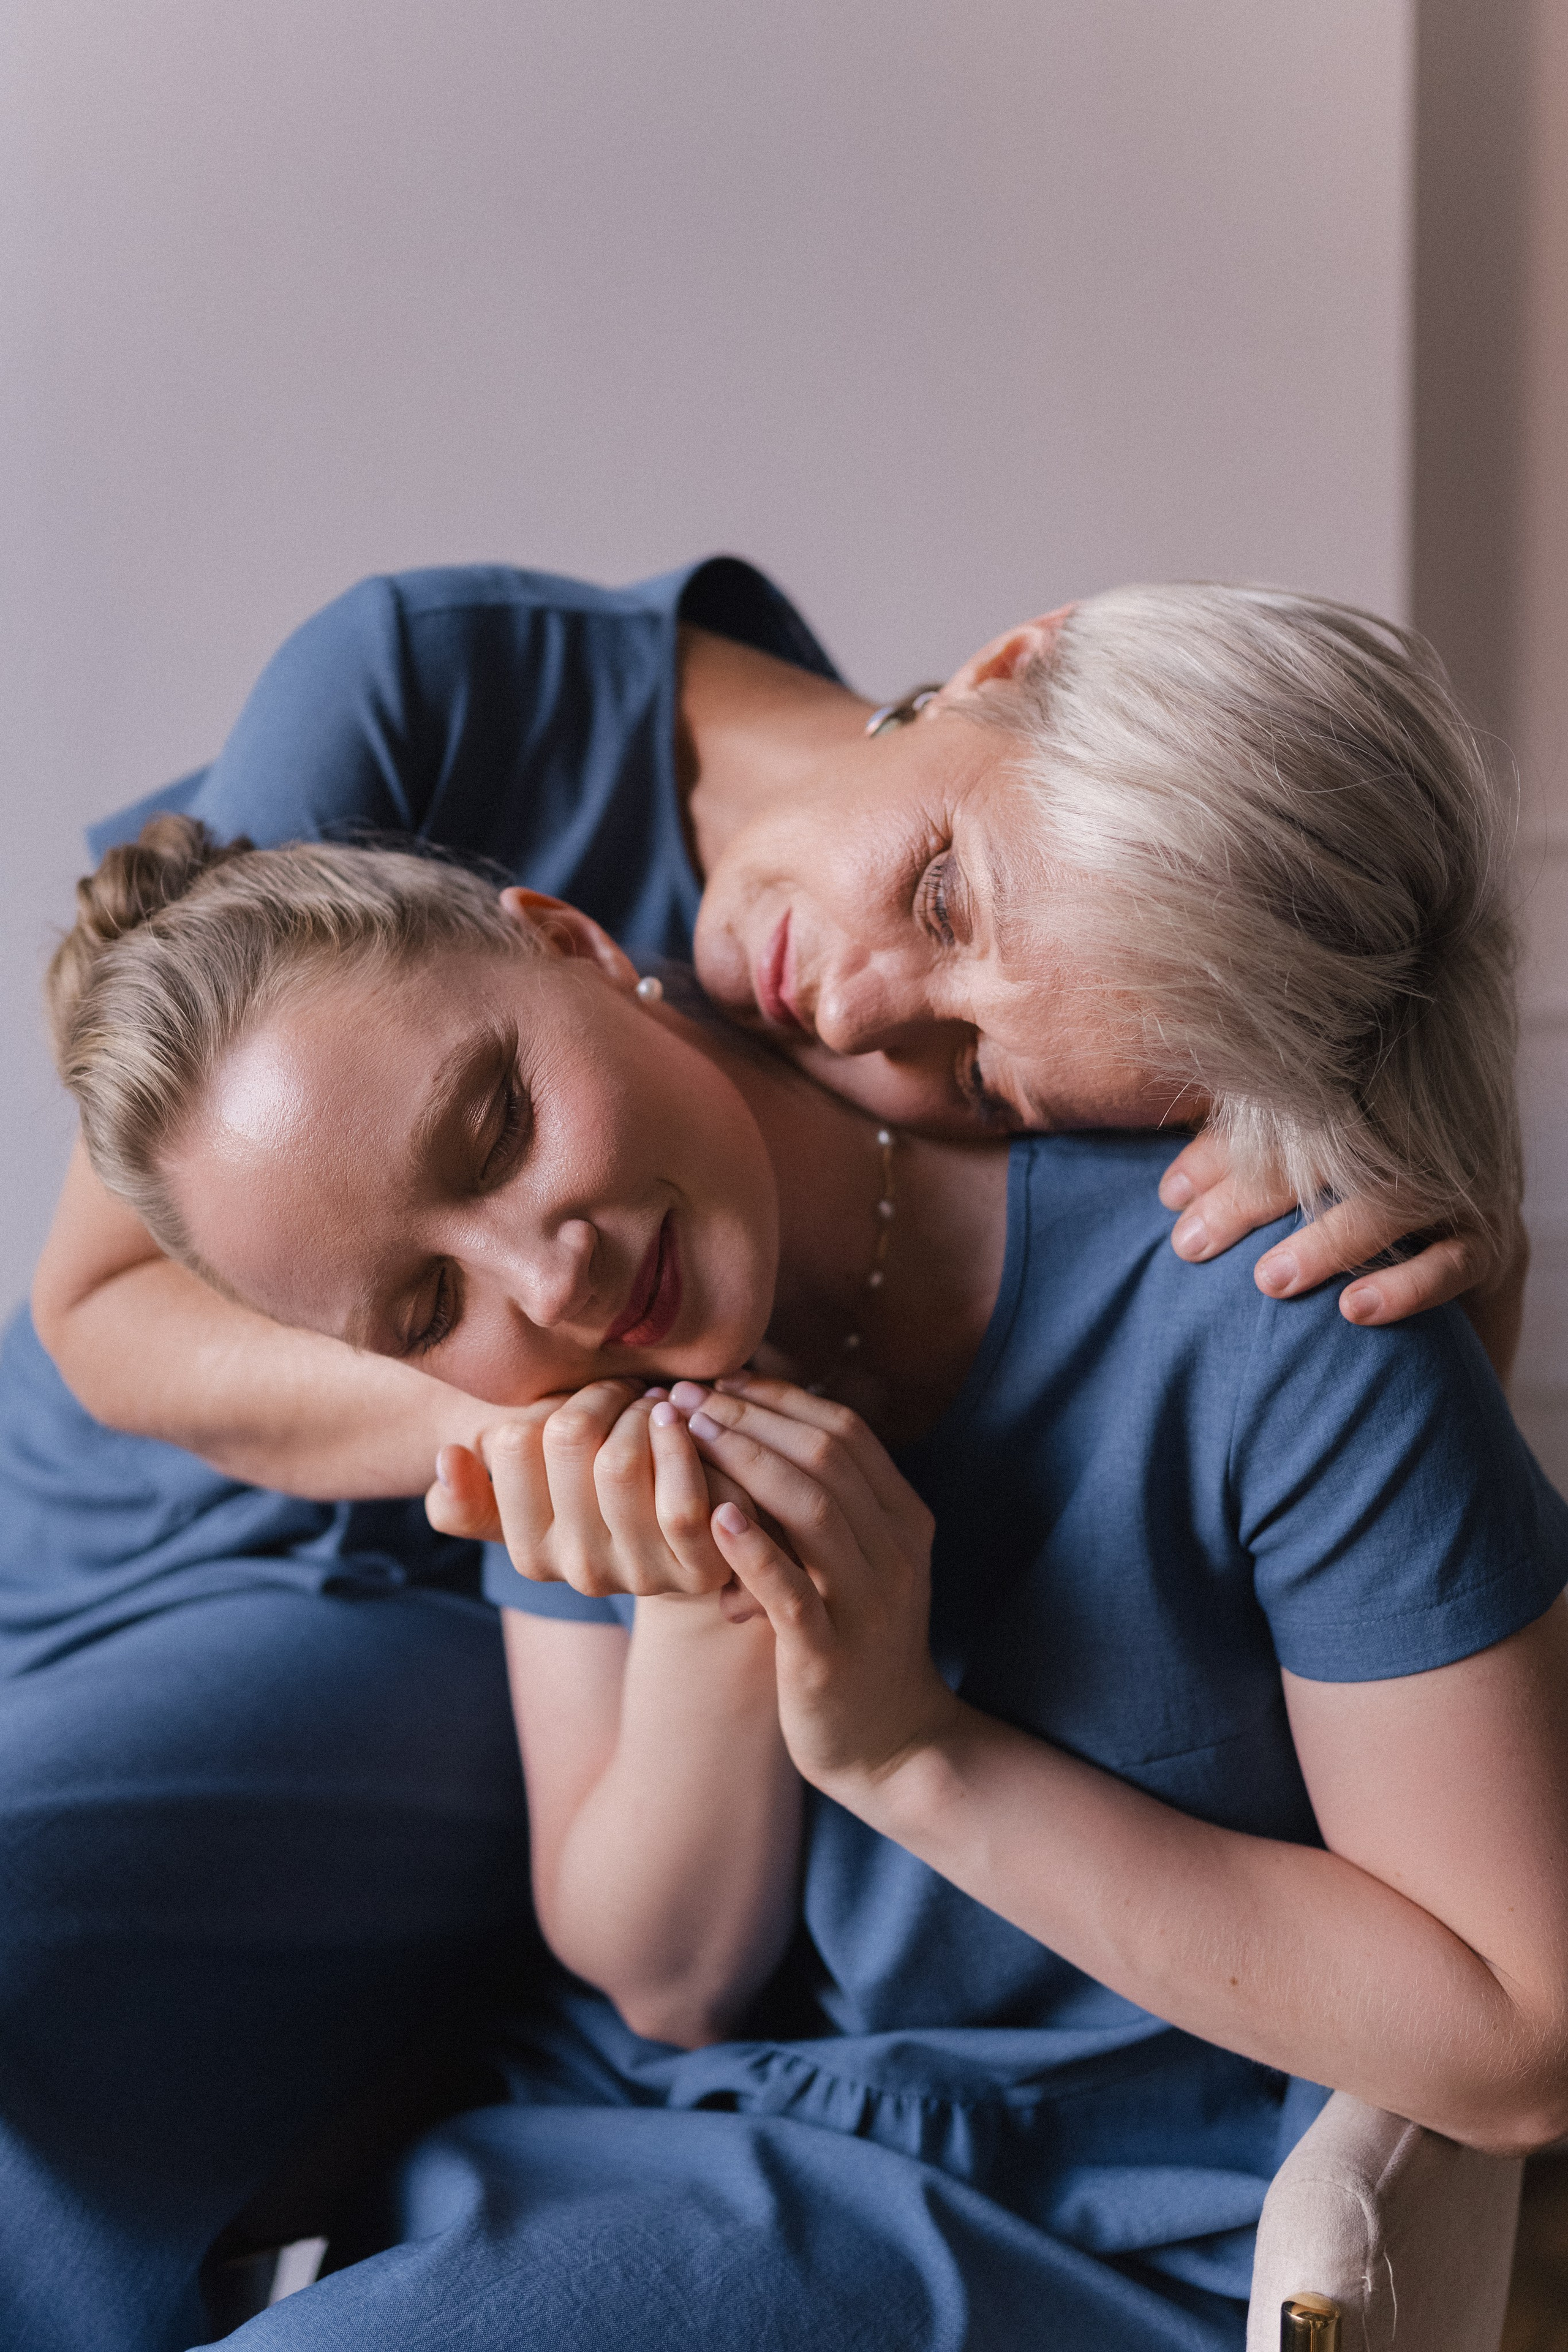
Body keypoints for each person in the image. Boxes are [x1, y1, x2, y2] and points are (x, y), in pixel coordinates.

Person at [0, 562, 1529, 2350]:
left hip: (1016, 2194)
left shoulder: (1244, 1300)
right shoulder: (574, 1374)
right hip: (229, 1656)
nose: (544, 1273)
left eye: (987, 1065)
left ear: (577, 941)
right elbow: (658, 1972)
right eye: (420, 1305)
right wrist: (692, 1594)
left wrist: (901, 1746)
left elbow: (1505, 2019)